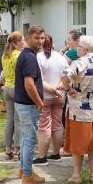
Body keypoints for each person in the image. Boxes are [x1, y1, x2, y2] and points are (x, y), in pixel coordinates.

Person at [59, 35, 93, 184]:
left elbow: (64, 76)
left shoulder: (79, 62)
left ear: (84, 49)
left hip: (78, 111)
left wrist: (68, 90)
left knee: (77, 144)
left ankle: (76, 175)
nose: (77, 49)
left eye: (79, 47)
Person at [14, 25, 45, 184]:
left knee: (26, 138)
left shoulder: (26, 55)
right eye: (36, 38)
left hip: (23, 104)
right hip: (28, 105)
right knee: (30, 139)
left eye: (42, 38)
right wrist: (39, 103)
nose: (40, 41)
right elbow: (29, 85)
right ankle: (27, 175)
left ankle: (22, 170)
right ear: (28, 38)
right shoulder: (30, 58)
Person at [33, 34, 68, 164]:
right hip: (60, 95)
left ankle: (42, 157)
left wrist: (52, 90)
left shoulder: (38, 58)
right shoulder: (61, 58)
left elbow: (40, 81)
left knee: (44, 126)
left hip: (45, 96)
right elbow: (65, 77)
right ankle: (56, 154)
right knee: (57, 124)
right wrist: (58, 89)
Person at [1, 31, 24, 160]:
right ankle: (17, 149)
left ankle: (8, 148)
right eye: (22, 40)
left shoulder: (5, 55)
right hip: (17, 88)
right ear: (16, 43)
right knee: (18, 120)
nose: (24, 43)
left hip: (7, 88)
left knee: (9, 120)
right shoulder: (18, 55)